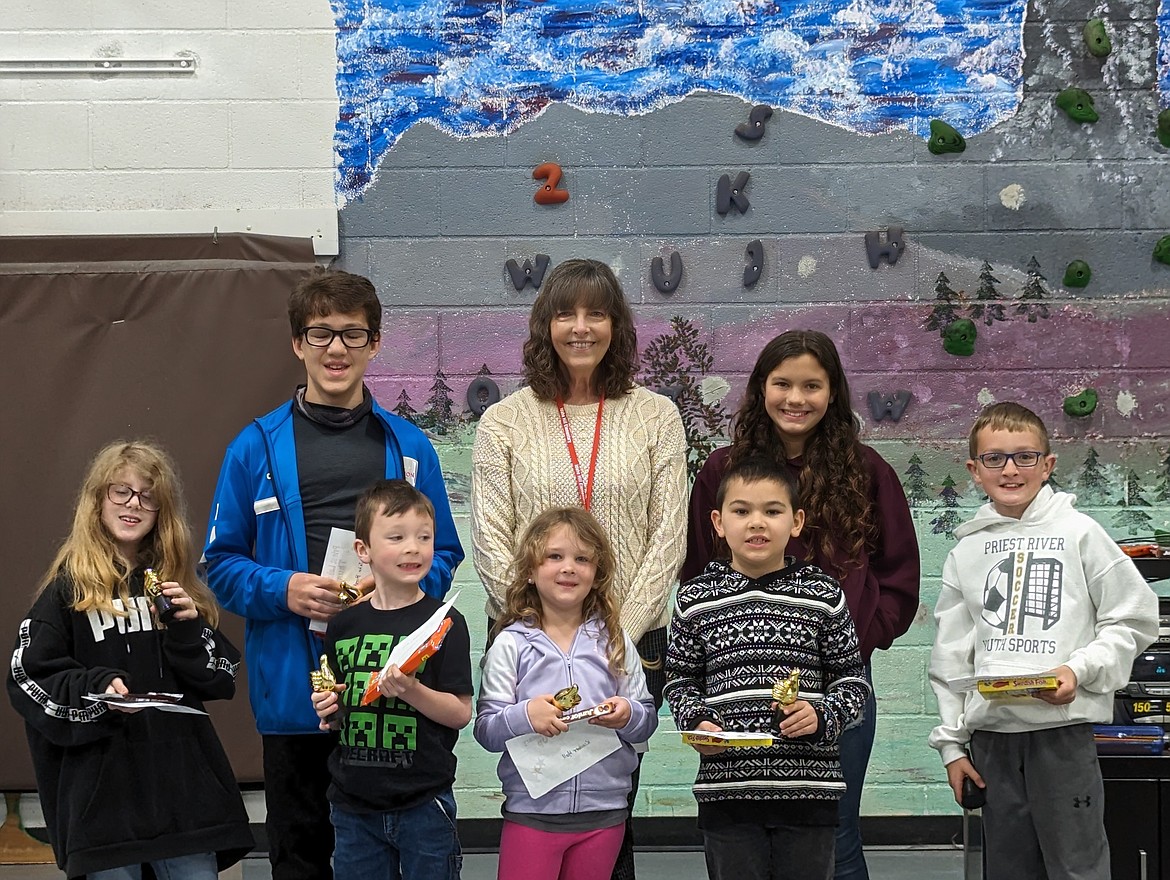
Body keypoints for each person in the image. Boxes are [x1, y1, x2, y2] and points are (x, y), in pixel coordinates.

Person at [203, 268, 464, 880]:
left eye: (352, 334)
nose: (337, 349)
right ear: (298, 344)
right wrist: (284, 589)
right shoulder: (254, 447)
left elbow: (445, 554)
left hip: (390, 705)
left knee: (400, 860)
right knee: (301, 859)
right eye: (320, 334)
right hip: (296, 696)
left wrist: (390, 594)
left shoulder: (410, 448)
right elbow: (220, 564)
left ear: (375, 343)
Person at [471, 258, 688, 879]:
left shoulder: (654, 416)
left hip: (625, 640)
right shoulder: (505, 420)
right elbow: (491, 536)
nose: (582, 327)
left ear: (617, 325)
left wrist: (613, 626)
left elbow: (667, 535)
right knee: (538, 790)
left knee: (609, 804)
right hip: (531, 635)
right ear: (545, 325)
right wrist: (543, 620)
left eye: (597, 313)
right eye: (566, 312)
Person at [681, 330, 919, 880]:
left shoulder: (867, 472)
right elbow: (697, 568)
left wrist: (859, 637)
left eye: (812, 385)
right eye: (782, 383)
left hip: (836, 684)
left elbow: (900, 574)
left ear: (833, 392)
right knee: (738, 843)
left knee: (835, 837)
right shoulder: (721, 471)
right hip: (733, 691)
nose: (796, 398)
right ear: (760, 388)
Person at [928, 402, 1159, 880]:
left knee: (1078, 866)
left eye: (1025, 457)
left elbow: (1133, 618)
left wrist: (1078, 670)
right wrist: (953, 748)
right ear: (974, 470)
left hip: (1062, 736)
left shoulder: (1080, 534)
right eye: (994, 458)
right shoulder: (965, 551)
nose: (1010, 469)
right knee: (1009, 869)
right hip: (992, 740)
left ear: (1048, 465)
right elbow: (950, 657)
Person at [7, 440, 253, 880]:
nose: (134, 504)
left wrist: (186, 629)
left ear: (162, 510)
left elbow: (221, 677)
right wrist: (96, 689)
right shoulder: (69, 590)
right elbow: (27, 675)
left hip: (183, 801)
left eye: (148, 495)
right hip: (105, 808)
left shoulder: (178, 585)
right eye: (121, 491)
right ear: (98, 500)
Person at [666, 455, 870, 880]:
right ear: (719, 523)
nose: (757, 523)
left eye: (772, 511)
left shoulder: (823, 594)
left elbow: (852, 680)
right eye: (742, 511)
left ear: (796, 522)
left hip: (808, 792)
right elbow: (680, 680)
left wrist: (823, 715)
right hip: (727, 792)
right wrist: (698, 721)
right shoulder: (694, 599)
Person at [475, 507, 658, 880]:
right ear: (530, 570)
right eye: (554, 556)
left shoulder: (616, 640)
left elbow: (646, 720)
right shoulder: (510, 644)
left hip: (605, 814)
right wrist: (525, 715)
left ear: (597, 573)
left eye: (582, 559)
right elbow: (487, 730)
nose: (569, 567)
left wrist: (627, 714)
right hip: (532, 814)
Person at [309, 479, 472, 880]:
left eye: (423, 537)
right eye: (396, 537)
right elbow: (335, 703)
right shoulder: (343, 625)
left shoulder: (446, 623)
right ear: (363, 550)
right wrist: (327, 707)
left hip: (423, 802)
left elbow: (460, 713)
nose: (413, 548)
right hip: (353, 805)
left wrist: (412, 690)